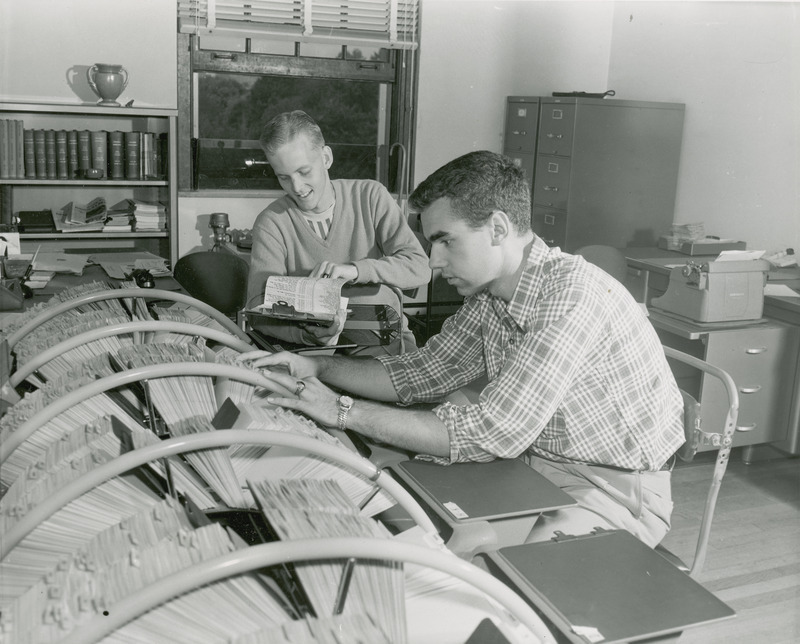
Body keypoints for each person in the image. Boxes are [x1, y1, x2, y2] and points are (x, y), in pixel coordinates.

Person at [241, 150, 685, 548]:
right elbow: (420, 373)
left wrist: (342, 411)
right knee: (411, 517)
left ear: (497, 228)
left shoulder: (569, 296)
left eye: (445, 240)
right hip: (538, 463)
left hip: (612, 489)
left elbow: (494, 430)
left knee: (505, 586)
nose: (432, 262)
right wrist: (315, 366)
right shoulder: (492, 295)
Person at [246, 110, 431, 354]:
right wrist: (310, 336)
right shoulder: (271, 222)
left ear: (326, 158)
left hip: (384, 345)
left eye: (304, 172)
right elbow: (258, 308)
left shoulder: (370, 197)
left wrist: (355, 270)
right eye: (284, 178)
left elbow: (419, 267)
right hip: (313, 353)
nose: (297, 188)